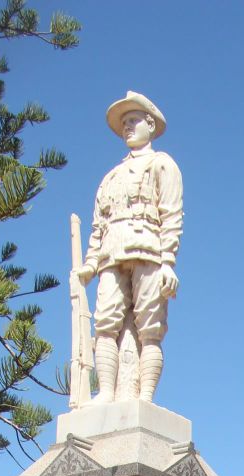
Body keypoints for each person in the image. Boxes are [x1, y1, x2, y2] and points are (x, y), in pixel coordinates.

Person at [74, 91, 183, 403]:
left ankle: (144, 396)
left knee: (150, 328)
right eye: (124, 123)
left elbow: (171, 214)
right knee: (105, 323)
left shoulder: (162, 165)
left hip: (148, 248)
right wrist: (90, 262)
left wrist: (168, 262)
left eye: (133, 120)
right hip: (111, 253)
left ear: (150, 124)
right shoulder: (110, 177)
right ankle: (106, 391)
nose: (128, 127)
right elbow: (99, 225)